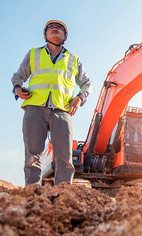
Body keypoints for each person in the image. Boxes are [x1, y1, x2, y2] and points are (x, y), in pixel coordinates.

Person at [11, 20, 92, 186]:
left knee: (65, 157)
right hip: (35, 108)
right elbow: (17, 76)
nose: (55, 29)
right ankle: (32, 193)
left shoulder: (73, 60)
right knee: (33, 155)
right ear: (45, 35)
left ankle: (63, 194)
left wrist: (80, 98)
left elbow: (87, 83)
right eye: (51, 28)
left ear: (65, 36)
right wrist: (18, 88)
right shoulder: (34, 54)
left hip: (62, 110)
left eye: (60, 28)